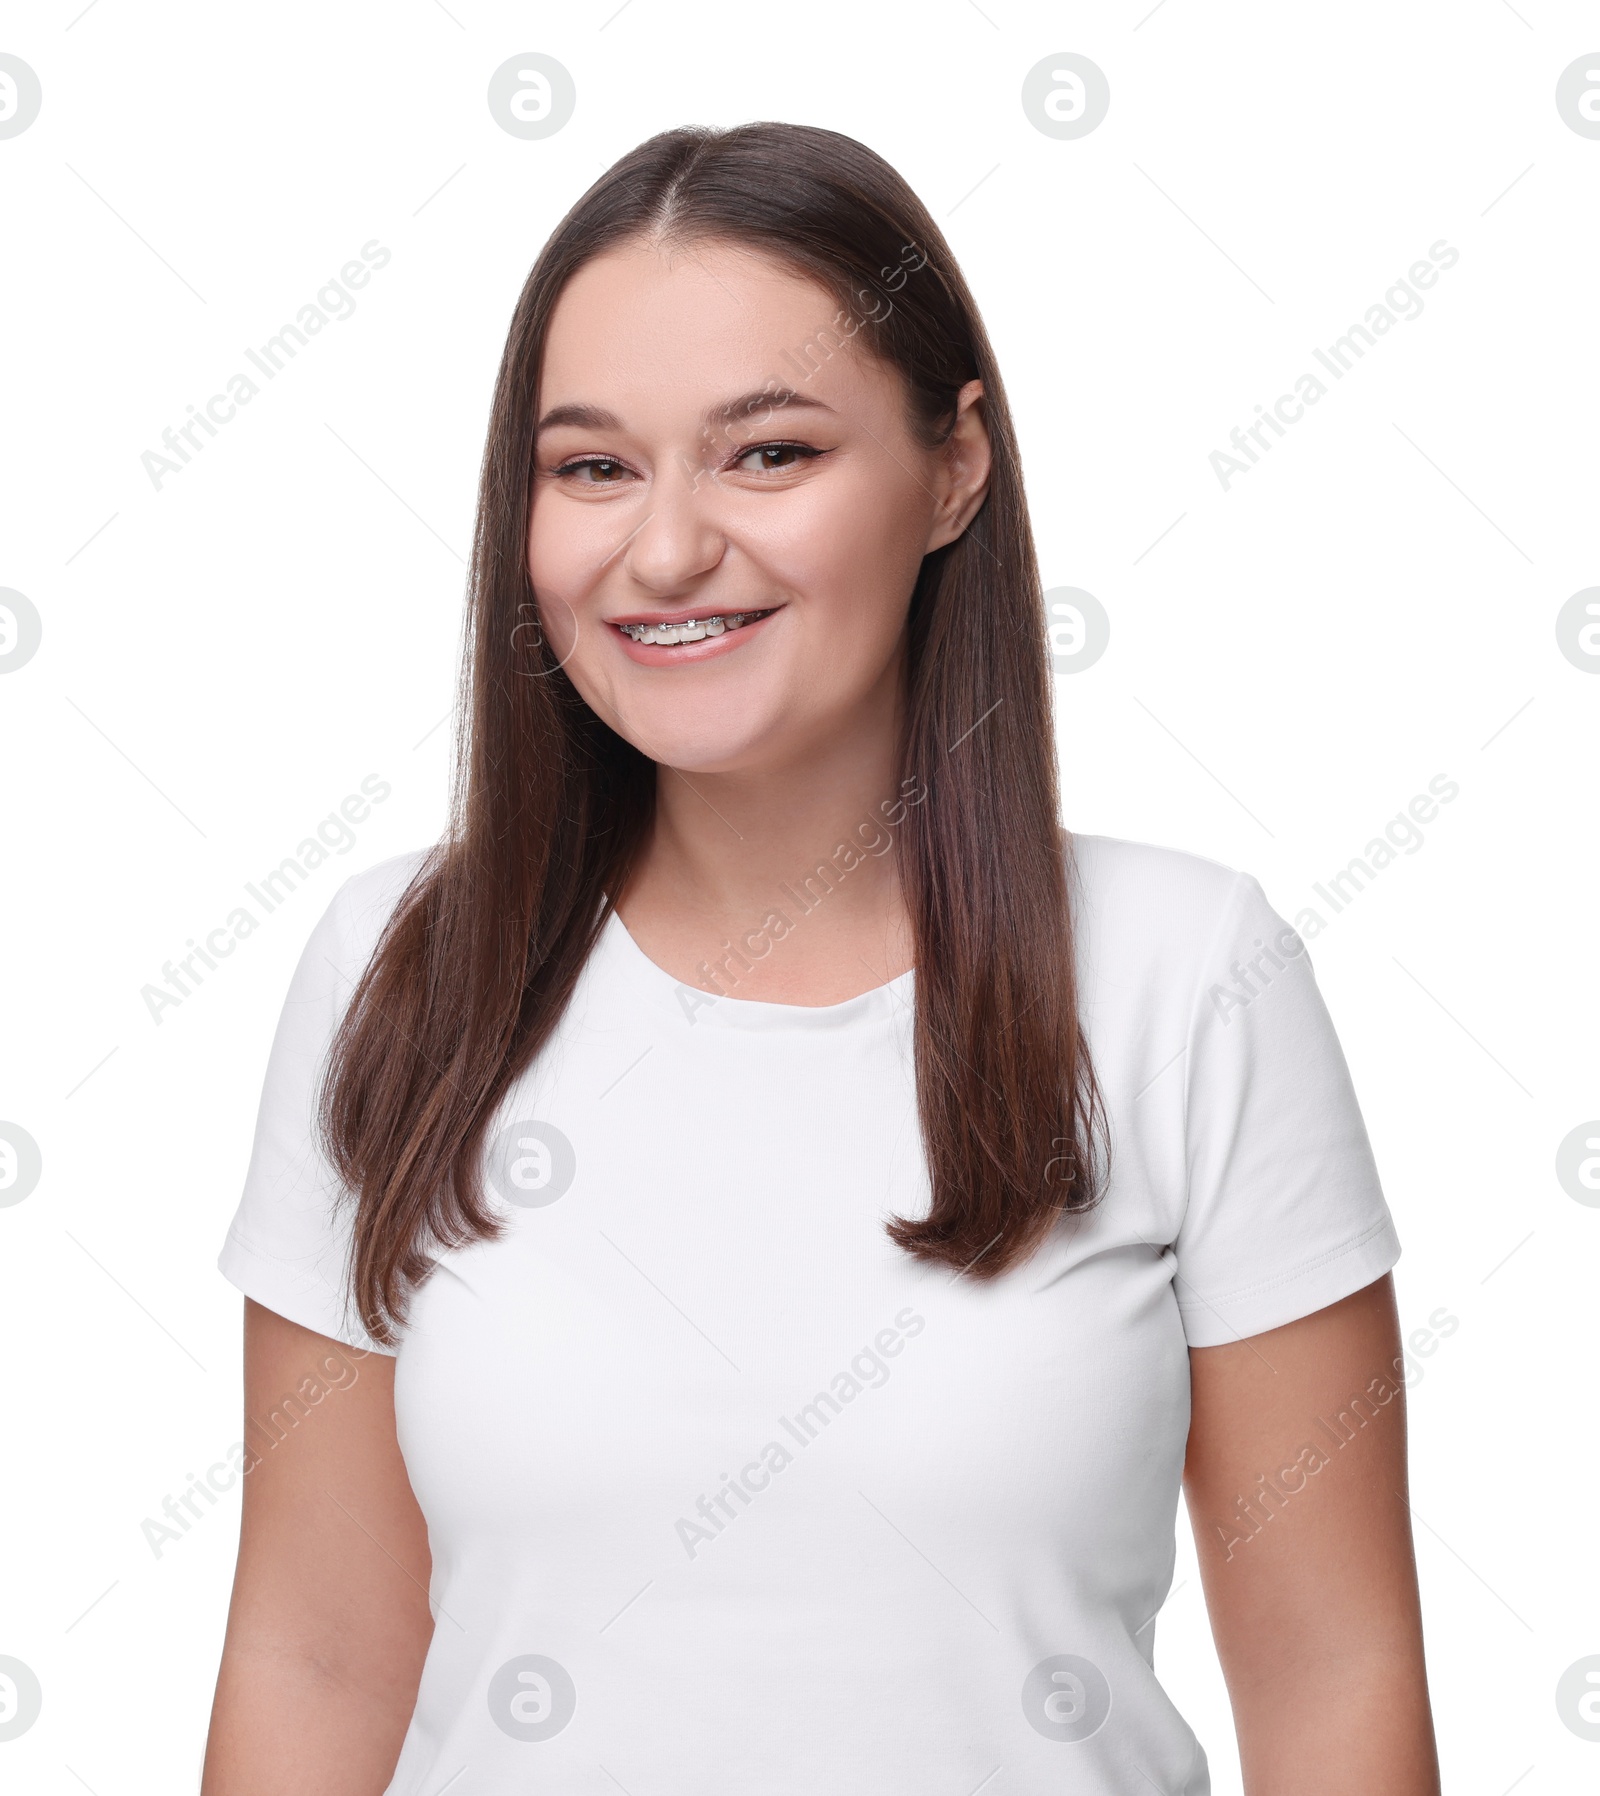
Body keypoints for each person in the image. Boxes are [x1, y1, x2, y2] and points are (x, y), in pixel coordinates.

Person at [202, 122, 1440, 1795]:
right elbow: (315, 1660)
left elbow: (1334, 1682)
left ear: (953, 470)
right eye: (591, 468)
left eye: (768, 454)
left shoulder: (1187, 978)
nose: (664, 551)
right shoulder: (399, 969)